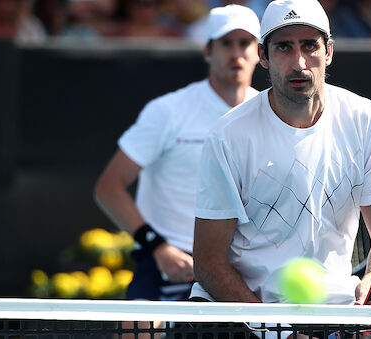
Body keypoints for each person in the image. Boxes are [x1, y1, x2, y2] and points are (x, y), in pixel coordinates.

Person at [190, 0, 371, 306]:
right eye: (284, 48)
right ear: (263, 55)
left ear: (328, 52)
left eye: (309, 46)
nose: (299, 63)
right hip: (247, 312)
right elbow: (209, 263)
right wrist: (276, 329)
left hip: (335, 310)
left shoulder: (366, 119)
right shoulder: (228, 136)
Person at [94, 3, 261, 303]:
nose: (236, 52)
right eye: (226, 43)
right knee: (139, 332)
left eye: (245, 42)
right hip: (168, 263)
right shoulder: (167, 111)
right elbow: (109, 188)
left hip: (243, 266)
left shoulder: (271, 114)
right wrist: (158, 248)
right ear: (208, 52)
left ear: (260, 53)